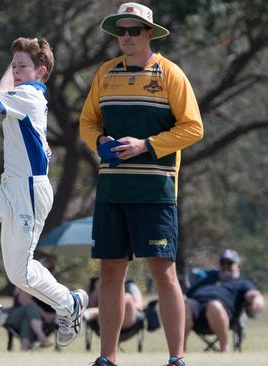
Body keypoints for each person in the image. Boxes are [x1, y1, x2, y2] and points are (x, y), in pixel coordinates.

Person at [78, 3, 204, 366]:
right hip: (112, 190)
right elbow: (88, 122)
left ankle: (176, 358)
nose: (127, 37)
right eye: (122, 31)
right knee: (110, 272)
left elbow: (193, 127)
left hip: (155, 191)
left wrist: (146, 145)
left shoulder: (170, 74)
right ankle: (108, 358)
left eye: (135, 30)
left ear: (151, 33)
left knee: (162, 271)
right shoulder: (105, 73)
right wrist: (99, 142)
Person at [0, 37, 88, 348]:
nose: (17, 71)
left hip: (29, 192)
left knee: (20, 275)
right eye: (14, 67)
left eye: (22, 67)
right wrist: (14, 59)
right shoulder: (21, 94)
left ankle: (69, 302)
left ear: (41, 70)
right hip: (11, 186)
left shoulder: (29, 95)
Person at [184, 249, 264, 352]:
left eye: (229, 263)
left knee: (214, 305)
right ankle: (180, 352)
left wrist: (258, 297)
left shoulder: (242, 282)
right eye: (222, 262)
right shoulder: (208, 278)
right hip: (195, 313)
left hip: (221, 314)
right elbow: (186, 295)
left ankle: (224, 348)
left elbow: (252, 293)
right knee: (183, 305)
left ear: (238, 266)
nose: (225, 266)